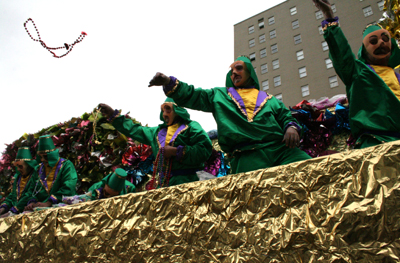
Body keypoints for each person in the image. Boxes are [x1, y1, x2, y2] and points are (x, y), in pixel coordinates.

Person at [148, 56, 311, 174]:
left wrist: (291, 128)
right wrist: (168, 82)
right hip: (248, 155)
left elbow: (285, 117)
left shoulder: (270, 99)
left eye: (239, 68)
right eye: (231, 70)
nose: (234, 73)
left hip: (281, 150)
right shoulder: (219, 96)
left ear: (249, 72)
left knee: (313, 169)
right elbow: (193, 95)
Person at [313, 0, 400, 148]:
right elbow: (342, 53)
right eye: (373, 41)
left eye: (385, 39)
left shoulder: (398, 77)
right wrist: (329, 15)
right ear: (365, 51)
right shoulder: (358, 72)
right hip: (376, 143)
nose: (381, 43)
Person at [99, 98, 212, 188]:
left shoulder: (191, 127)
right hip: (163, 186)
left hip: (188, 183)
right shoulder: (156, 132)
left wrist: (177, 151)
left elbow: (205, 149)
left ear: (177, 110)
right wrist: (113, 116)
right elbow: (135, 130)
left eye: (168, 109)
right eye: (163, 110)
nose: (164, 114)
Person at [24, 135, 78, 211]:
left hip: (63, 204)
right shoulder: (38, 169)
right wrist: (32, 202)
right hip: (40, 206)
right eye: (40, 156)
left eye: (45, 156)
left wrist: (49, 202)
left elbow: (69, 186)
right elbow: (32, 190)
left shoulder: (66, 165)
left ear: (52, 155)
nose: (42, 159)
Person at [0, 147, 38, 216]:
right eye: (17, 166)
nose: (18, 169)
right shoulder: (18, 177)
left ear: (28, 165)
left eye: (21, 166)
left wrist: (12, 212)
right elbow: (12, 196)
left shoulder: (34, 176)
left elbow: (29, 194)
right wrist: (2, 208)